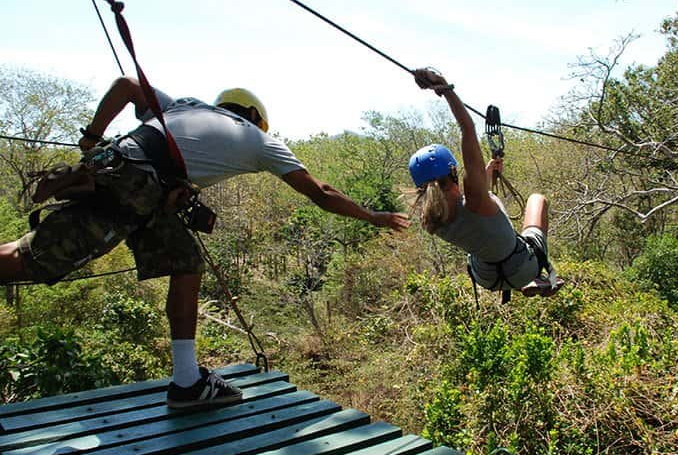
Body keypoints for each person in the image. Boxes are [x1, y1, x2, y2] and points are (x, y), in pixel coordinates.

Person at [0, 76, 410, 409]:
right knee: (31, 261)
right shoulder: (258, 140)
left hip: (125, 176)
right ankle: (186, 382)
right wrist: (372, 216)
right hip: (134, 188)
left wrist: (92, 138)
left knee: (184, 262)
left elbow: (126, 85)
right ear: (252, 116)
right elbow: (320, 191)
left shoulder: (185, 105)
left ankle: (187, 381)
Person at [408, 68, 563, 299]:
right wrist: (445, 88)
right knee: (536, 200)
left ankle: (526, 281)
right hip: (521, 268)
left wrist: (488, 170)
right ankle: (537, 278)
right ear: (453, 170)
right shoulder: (475, 198)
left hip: (486, 278)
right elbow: (466, 129)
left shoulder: (430, 218)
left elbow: (479, 215)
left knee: (490, 244)